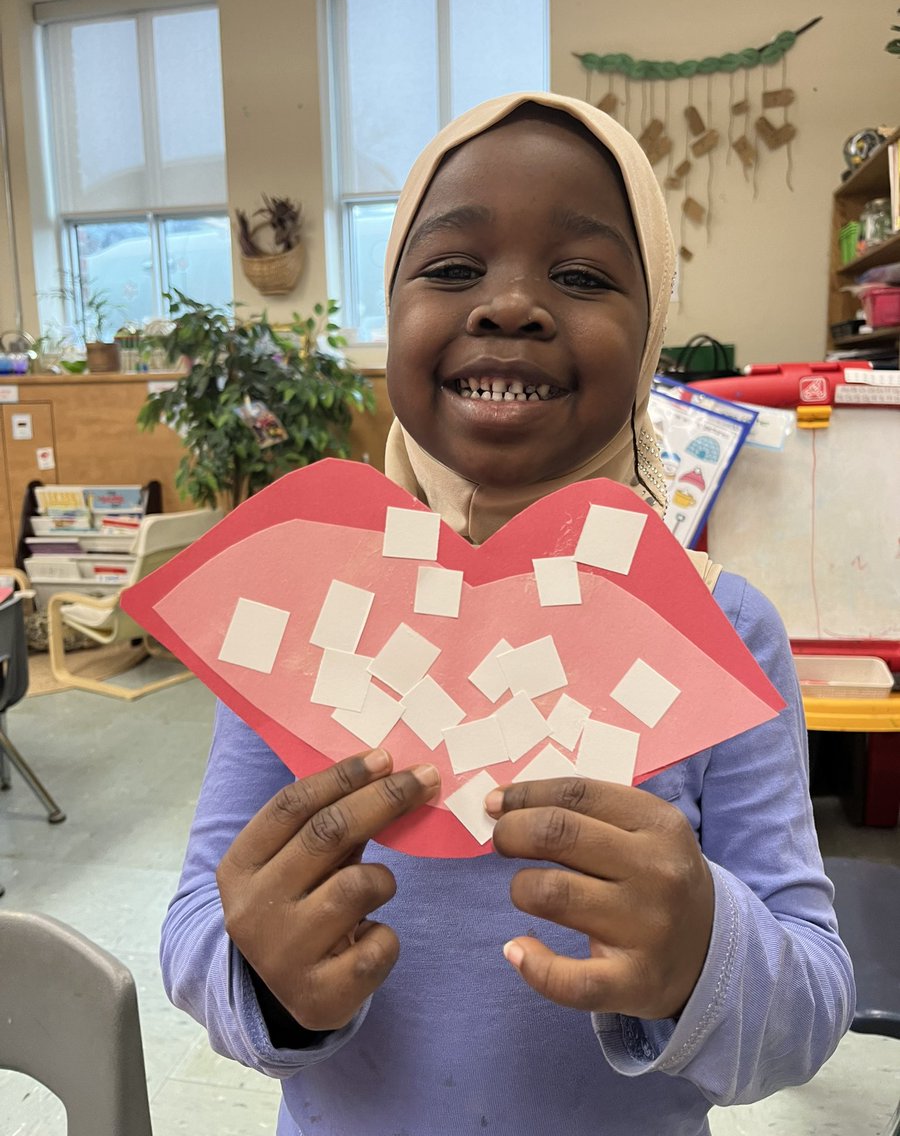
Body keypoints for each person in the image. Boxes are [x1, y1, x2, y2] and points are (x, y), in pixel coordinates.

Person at [161, 92, 854, 1136]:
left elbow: (810, 998)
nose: (511, 306)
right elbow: (195, 932)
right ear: (390, 316)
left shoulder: (712, 625)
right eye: (449, 269)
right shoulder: (307, 601)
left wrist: (702, 949)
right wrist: (263, 979)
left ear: (653, 328)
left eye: (580, 276)